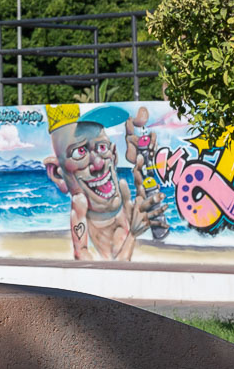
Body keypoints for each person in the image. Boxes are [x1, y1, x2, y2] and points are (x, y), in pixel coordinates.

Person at [42, 104, 167, 260]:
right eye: (79, 152)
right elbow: (96, 267)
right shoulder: (81, 211)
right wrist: (133, 235)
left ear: (113, 156)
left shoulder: (126, 202)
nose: (99, 164)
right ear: (57, 175)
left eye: (102, 147)